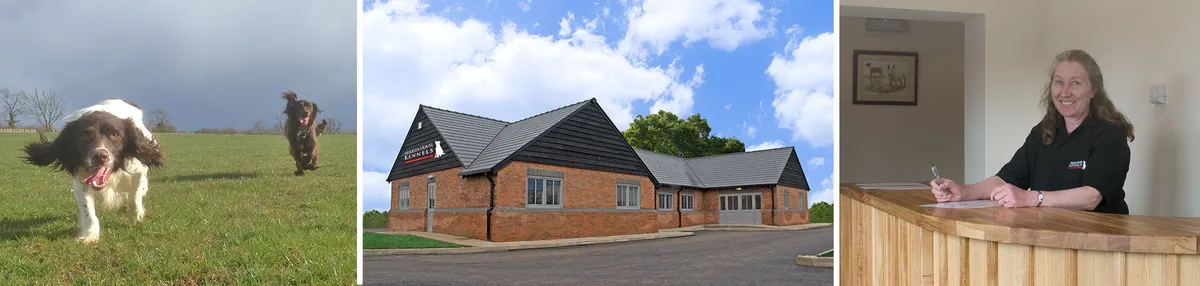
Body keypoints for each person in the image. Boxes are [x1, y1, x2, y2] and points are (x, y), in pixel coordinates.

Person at [930, 49, 1134, 214]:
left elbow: (1091, 197)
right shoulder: (1044, 131)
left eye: (1076, 83)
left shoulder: (1110, 133)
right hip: (1048, 237)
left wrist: (1032, 198)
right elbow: (1005, 179)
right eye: (1059, 82)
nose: (1065, 92)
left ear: (1093, 90)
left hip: (1099, 243)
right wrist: (964, 192)